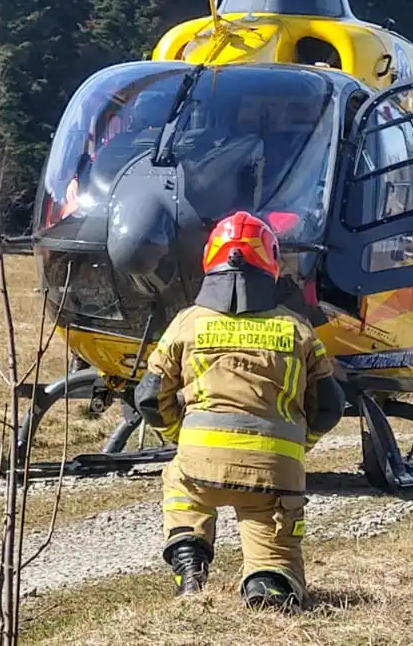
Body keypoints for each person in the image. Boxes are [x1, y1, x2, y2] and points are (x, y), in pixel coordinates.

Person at [135, 210, 345, 611]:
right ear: (269, 263)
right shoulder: (297, 329)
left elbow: (149, 398)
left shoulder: (187, 323)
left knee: (183, 486)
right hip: (275, 471)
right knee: (274, 555)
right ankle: (269, 586)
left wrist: (181, 436)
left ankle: (190, 563)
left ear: (210, 260)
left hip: (200, 463)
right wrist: (301, 444)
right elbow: (330, 405)